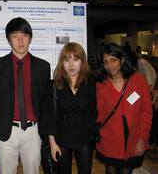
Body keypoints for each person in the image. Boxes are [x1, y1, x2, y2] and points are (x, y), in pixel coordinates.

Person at [0, 17, 51, 174]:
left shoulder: (43, 67)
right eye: (15, 36)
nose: (20, 41)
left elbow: (45, 100)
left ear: (30, 38)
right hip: (6, 130)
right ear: (9, 39)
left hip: (33, 131)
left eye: (24, 36)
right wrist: (5, 115)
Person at [96, 43, 153, 174]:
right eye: (105, 62)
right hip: (109, 141)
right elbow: (99, 112)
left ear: (121, 60)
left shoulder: (138, 80)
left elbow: (146, 112)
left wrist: (142, 138)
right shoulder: (101, 84)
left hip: (132, 140)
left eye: (113, 60)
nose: (109, 66)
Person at [48, 42, 97, 174]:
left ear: (82, 62)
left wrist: (92, 130)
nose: (71, 64)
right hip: (62, 139)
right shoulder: (55, 85)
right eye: (66, 60)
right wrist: (52, 143)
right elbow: (51, 116)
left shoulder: (91, 83)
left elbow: (94, 111)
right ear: (61, 63)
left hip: (84, 139)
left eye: (75, 59)